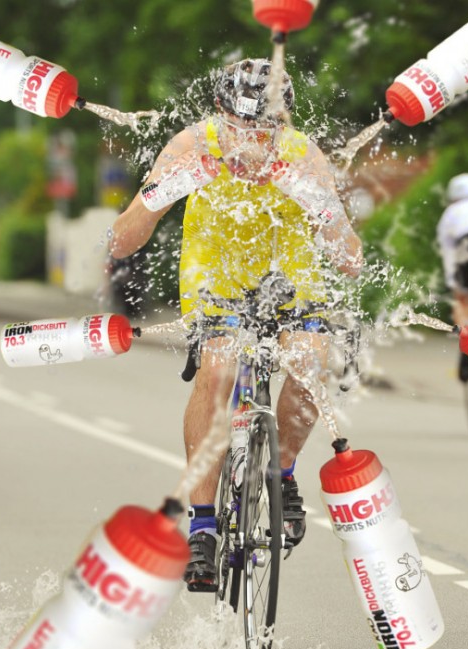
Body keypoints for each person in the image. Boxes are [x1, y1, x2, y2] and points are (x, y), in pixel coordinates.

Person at [109, 58, 363, 591]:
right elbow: (119, 243)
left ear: (284, 124)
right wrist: (157, 196)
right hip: (215, 272)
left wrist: (326, 211)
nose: (252, 146)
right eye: (240, 131)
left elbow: (352, 262)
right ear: (219, 117)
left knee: (313, 359)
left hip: (289, 272)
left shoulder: (304, 156)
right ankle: (202, 526)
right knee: (219, 366)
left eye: (266, 133)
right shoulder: (189, 146)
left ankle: (283, 472)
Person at [437, 172, 468, 381]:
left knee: (464, 300)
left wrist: (455, 285)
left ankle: (466, 353)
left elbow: (449, 253)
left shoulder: (450, 213)